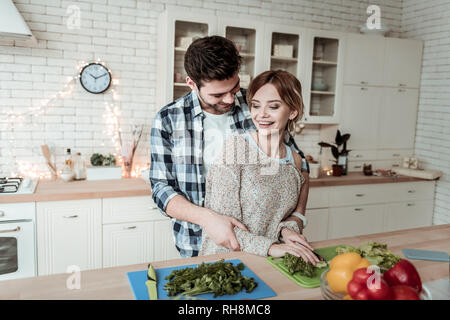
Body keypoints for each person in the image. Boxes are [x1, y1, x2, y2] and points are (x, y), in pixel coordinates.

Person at [150, 35, 312, 259]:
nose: (229, 99)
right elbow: (161, 189)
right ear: (191, 83)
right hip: (196, 242)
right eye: (217, 94)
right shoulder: (169, 119)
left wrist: (297, 218)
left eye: (234, 88)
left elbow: (299, 166)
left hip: (262, 242)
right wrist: (208, 218)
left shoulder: (255, 104)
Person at [199, 70, 319, 264]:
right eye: (255, 106)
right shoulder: (235, 149)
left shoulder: (295, 160)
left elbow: (280, 218)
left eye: (273, 107)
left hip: (269, 262)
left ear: (293, 111)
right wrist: (272, 247)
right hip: (225, 263)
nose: (261, 114)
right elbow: (224, 228)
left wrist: (287, 231)